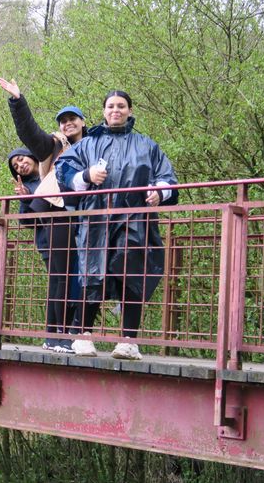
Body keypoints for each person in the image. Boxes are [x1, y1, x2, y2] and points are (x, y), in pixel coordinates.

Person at [56, 90, 178, 360]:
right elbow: (63, 171)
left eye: (121, 106)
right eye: (110, 106)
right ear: (103, 111)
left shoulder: (147, 145)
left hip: (135, 220)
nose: (116, 110)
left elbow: (167, 178)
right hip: (96, 219)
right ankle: (83, 336)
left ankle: (128, 340)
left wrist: (160, 193)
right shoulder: (88, 145)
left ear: (130, 111)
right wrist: (86, 175)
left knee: (132, 275)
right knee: (91, 274)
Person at [0, 78, 91, 355]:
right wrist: (18, 101)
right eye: (63, 121)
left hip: (85, 215)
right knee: (60, 275)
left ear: (83, 121)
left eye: (72, 119)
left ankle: (74, 333)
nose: (67, 124)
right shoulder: (54, 145)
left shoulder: (95, 144)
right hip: (58, 211)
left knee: (84, 277)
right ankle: (55, 335)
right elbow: (30, 134)